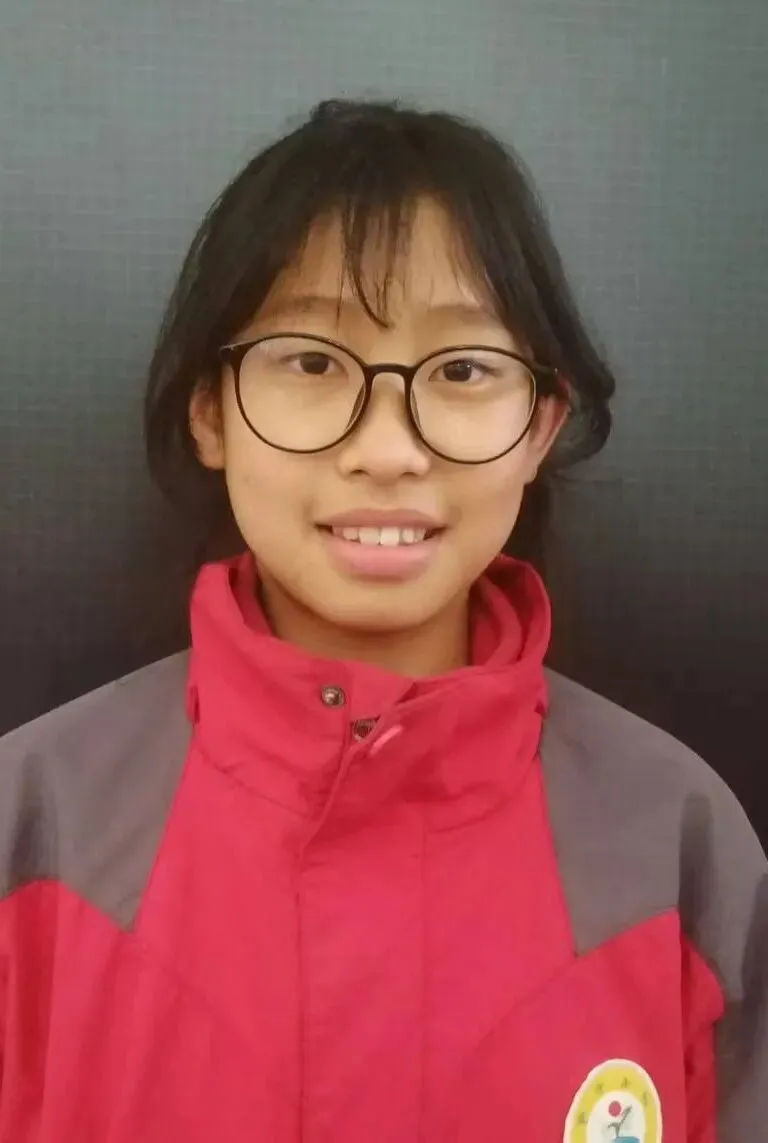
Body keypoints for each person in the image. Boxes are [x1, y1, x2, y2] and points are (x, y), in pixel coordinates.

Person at [0, 99, 765, 1143]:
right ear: (211, 410)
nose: (389, 450)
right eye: (312, 362)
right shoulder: (30, 827)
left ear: (539, 424)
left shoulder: (680, 845)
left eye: (462, 371)